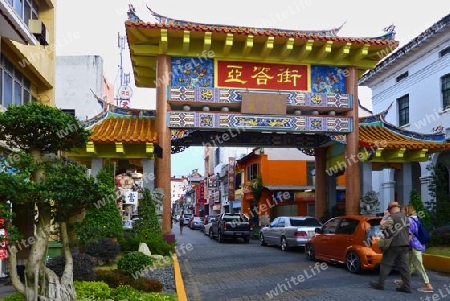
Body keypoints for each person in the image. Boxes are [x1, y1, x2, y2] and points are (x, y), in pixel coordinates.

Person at [369, 201, 411, 293]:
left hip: (394, 245)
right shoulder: (406, 218)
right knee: (404, 267)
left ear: (392, 209)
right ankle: (406, 287)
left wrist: (384, 216)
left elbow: (381, 227)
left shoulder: (392, 218)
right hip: (405, 244)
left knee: (385, 264)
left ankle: (380, 284)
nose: (389, 212)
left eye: (389, 210)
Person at [394, 204, 433, 293]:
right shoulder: (416, 219)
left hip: (415, 246)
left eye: (403, 210)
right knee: (410, 264)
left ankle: (428, 285)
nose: (402, 212)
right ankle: (404, 279)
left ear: (407, 211)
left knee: (418, 265)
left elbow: (409, 236)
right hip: (418, 245)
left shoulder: (409, 221)